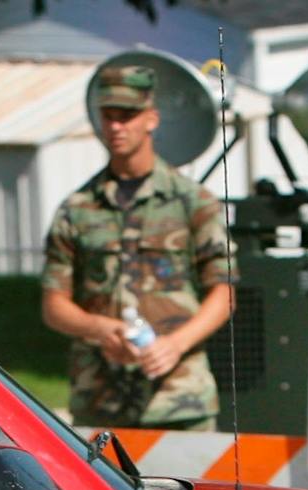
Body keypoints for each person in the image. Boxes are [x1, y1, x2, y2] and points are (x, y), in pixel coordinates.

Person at [41, 63, 234, 431]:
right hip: (100, 402)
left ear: (151, 119)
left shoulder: (193, 202)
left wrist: (176, 344)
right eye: (108, 116)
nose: (116, 126)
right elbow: (54, 306)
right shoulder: (78, 208)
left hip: (179, 400)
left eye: (127, 115)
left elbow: (224, 293)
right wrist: (99, 328)